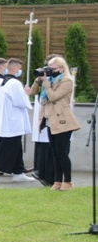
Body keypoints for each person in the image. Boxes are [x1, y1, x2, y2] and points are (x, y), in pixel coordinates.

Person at [30, 56, 81, 191]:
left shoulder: (66, 81)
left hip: (63, 121)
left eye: (52, 69)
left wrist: (46, 81)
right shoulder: (50, 80)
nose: (50, 71)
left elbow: (53, 97)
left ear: (61, 68)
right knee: (54, 152)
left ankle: (68, 181)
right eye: (48, 68)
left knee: (61, 153)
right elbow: (32, 92)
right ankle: (57, 181)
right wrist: (38, 79)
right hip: (50, 120)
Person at [0, 58, 36, 183]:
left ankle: (18, 172)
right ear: (14, 69)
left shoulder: (3, 83)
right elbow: (20, 101)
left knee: (17, 146)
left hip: (8, 119)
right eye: (19, 68)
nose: (20, 71)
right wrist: (26, 94)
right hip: (13, 120)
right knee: (9, 145)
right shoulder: (14, 83)